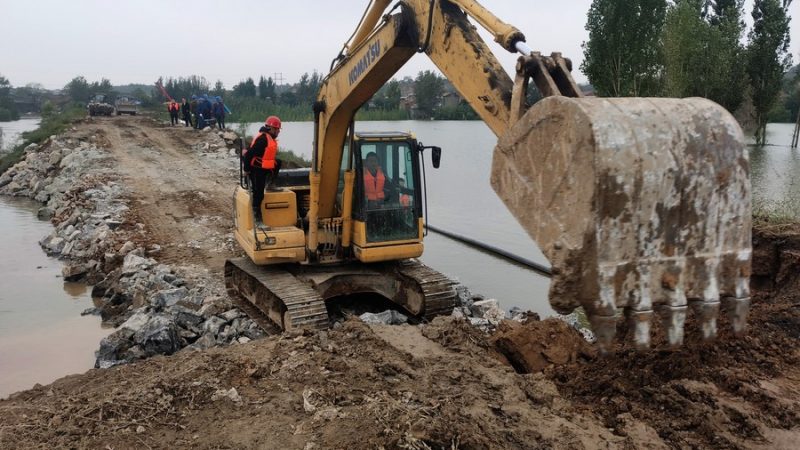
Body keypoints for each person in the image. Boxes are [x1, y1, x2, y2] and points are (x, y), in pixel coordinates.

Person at [243, 116, 283, 228]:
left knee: (278, 162)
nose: (278, 131)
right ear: (270, 128)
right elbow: (249, 155)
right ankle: (257, 220)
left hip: (264, 167)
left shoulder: (269, 137)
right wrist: (246, 170)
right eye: (277, 129)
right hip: (256, 170)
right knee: (259, 194)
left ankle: (270, 184)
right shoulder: (263, 139)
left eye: (278, 129)